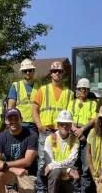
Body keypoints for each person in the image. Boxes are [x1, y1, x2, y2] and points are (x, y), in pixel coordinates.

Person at [33, 61, 74, 192]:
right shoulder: (42, 90)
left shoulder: (69, 93)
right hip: (46, 131)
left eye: (60, 71)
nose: (57, 73)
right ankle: (41, 189)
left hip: (60, 133)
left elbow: (70, 114)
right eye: (54, 71)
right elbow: (34, 109)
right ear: (50, 73)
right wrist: (39, 125)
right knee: (42, 162)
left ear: (63, 74)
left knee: (59, 160)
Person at [0, 108, 38, 193]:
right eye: (10, 119)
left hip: (26, 173)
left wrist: (6, 165)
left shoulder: (32, 135)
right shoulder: (0, 137)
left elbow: (27, 161)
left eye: (16, 118)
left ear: (21, 120)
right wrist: (13, 169)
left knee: (28, 190)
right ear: (6, 121)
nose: (13, 121)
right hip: (9, 171)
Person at [68, 78, 97, 192]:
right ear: (77, 90)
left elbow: (94, 119)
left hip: (87, 135)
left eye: (85, 89)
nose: (83, 91)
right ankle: (74, 190)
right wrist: (77, 132)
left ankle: (84, 190)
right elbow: (68, 118)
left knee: (86, 167)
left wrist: (83, 130)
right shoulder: (72, 103)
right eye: (80, 88)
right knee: (74, 165)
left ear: (88, 90)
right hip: (73, 135)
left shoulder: (93, 104)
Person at [42, 110, 80, 193]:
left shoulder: (75, 140)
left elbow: (71, 161)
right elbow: (49, 162)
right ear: (58, 125)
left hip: (66, 175)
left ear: (71, 125)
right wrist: (68, 170)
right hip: (54, 174)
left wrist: (56, 166)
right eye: (62, 124)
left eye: (67, 124)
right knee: (56, 171)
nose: (64, 126)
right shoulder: (50, 138)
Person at [8, 58, 40, 132]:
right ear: (22, 72)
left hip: (34, 125)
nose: (28, 72)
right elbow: (10, 107)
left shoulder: (39, 88)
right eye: (25, 71)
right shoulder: (16, 85)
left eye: (30, 70)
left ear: (33, 71)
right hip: (19, 123)